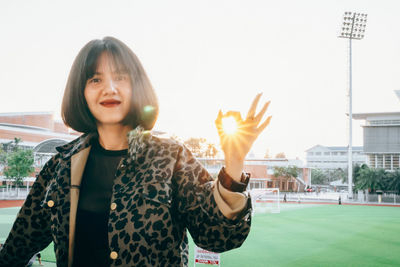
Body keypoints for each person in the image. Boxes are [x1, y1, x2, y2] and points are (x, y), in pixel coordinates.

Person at [0, 37, 271, 267]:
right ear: (81, 92)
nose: (110, 88)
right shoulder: (61, 165)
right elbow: (16, 250)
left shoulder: (171, 157)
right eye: (95, 79)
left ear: (136, 87)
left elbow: (217, 237)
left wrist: (235, 163)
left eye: (120, 77)